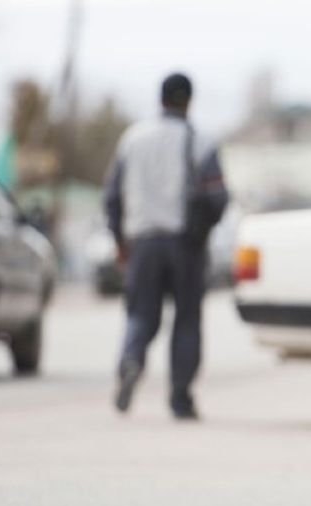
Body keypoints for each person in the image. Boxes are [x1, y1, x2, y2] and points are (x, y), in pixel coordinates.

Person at [102, 73, 229, 420]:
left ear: (160, 100)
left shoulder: (133, 139)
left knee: (141, 314)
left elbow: (111, 197)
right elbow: (217, 198)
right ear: (188, 100)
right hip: (184, 244)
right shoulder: (199, 141)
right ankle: (180, 396)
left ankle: (131, 359)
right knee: (186, 320)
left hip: (141, 243)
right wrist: (201, 233)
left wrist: (119, 240)